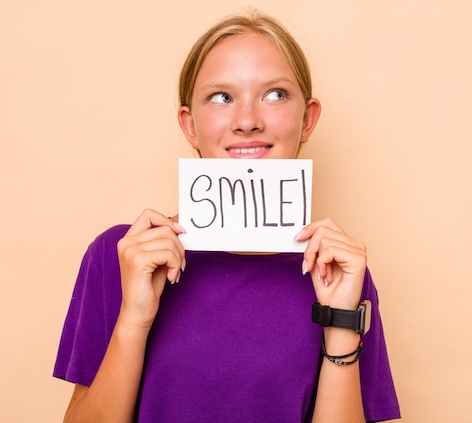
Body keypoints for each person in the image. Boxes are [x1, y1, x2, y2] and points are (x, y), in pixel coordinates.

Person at [54, 9, 401, 423]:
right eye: (221, 97)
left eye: (275, 94)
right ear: (190, 125)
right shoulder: (122, 255)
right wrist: (134, 318)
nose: (248, 121)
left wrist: (341, 320)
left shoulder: (339, 270)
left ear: (307, 119)